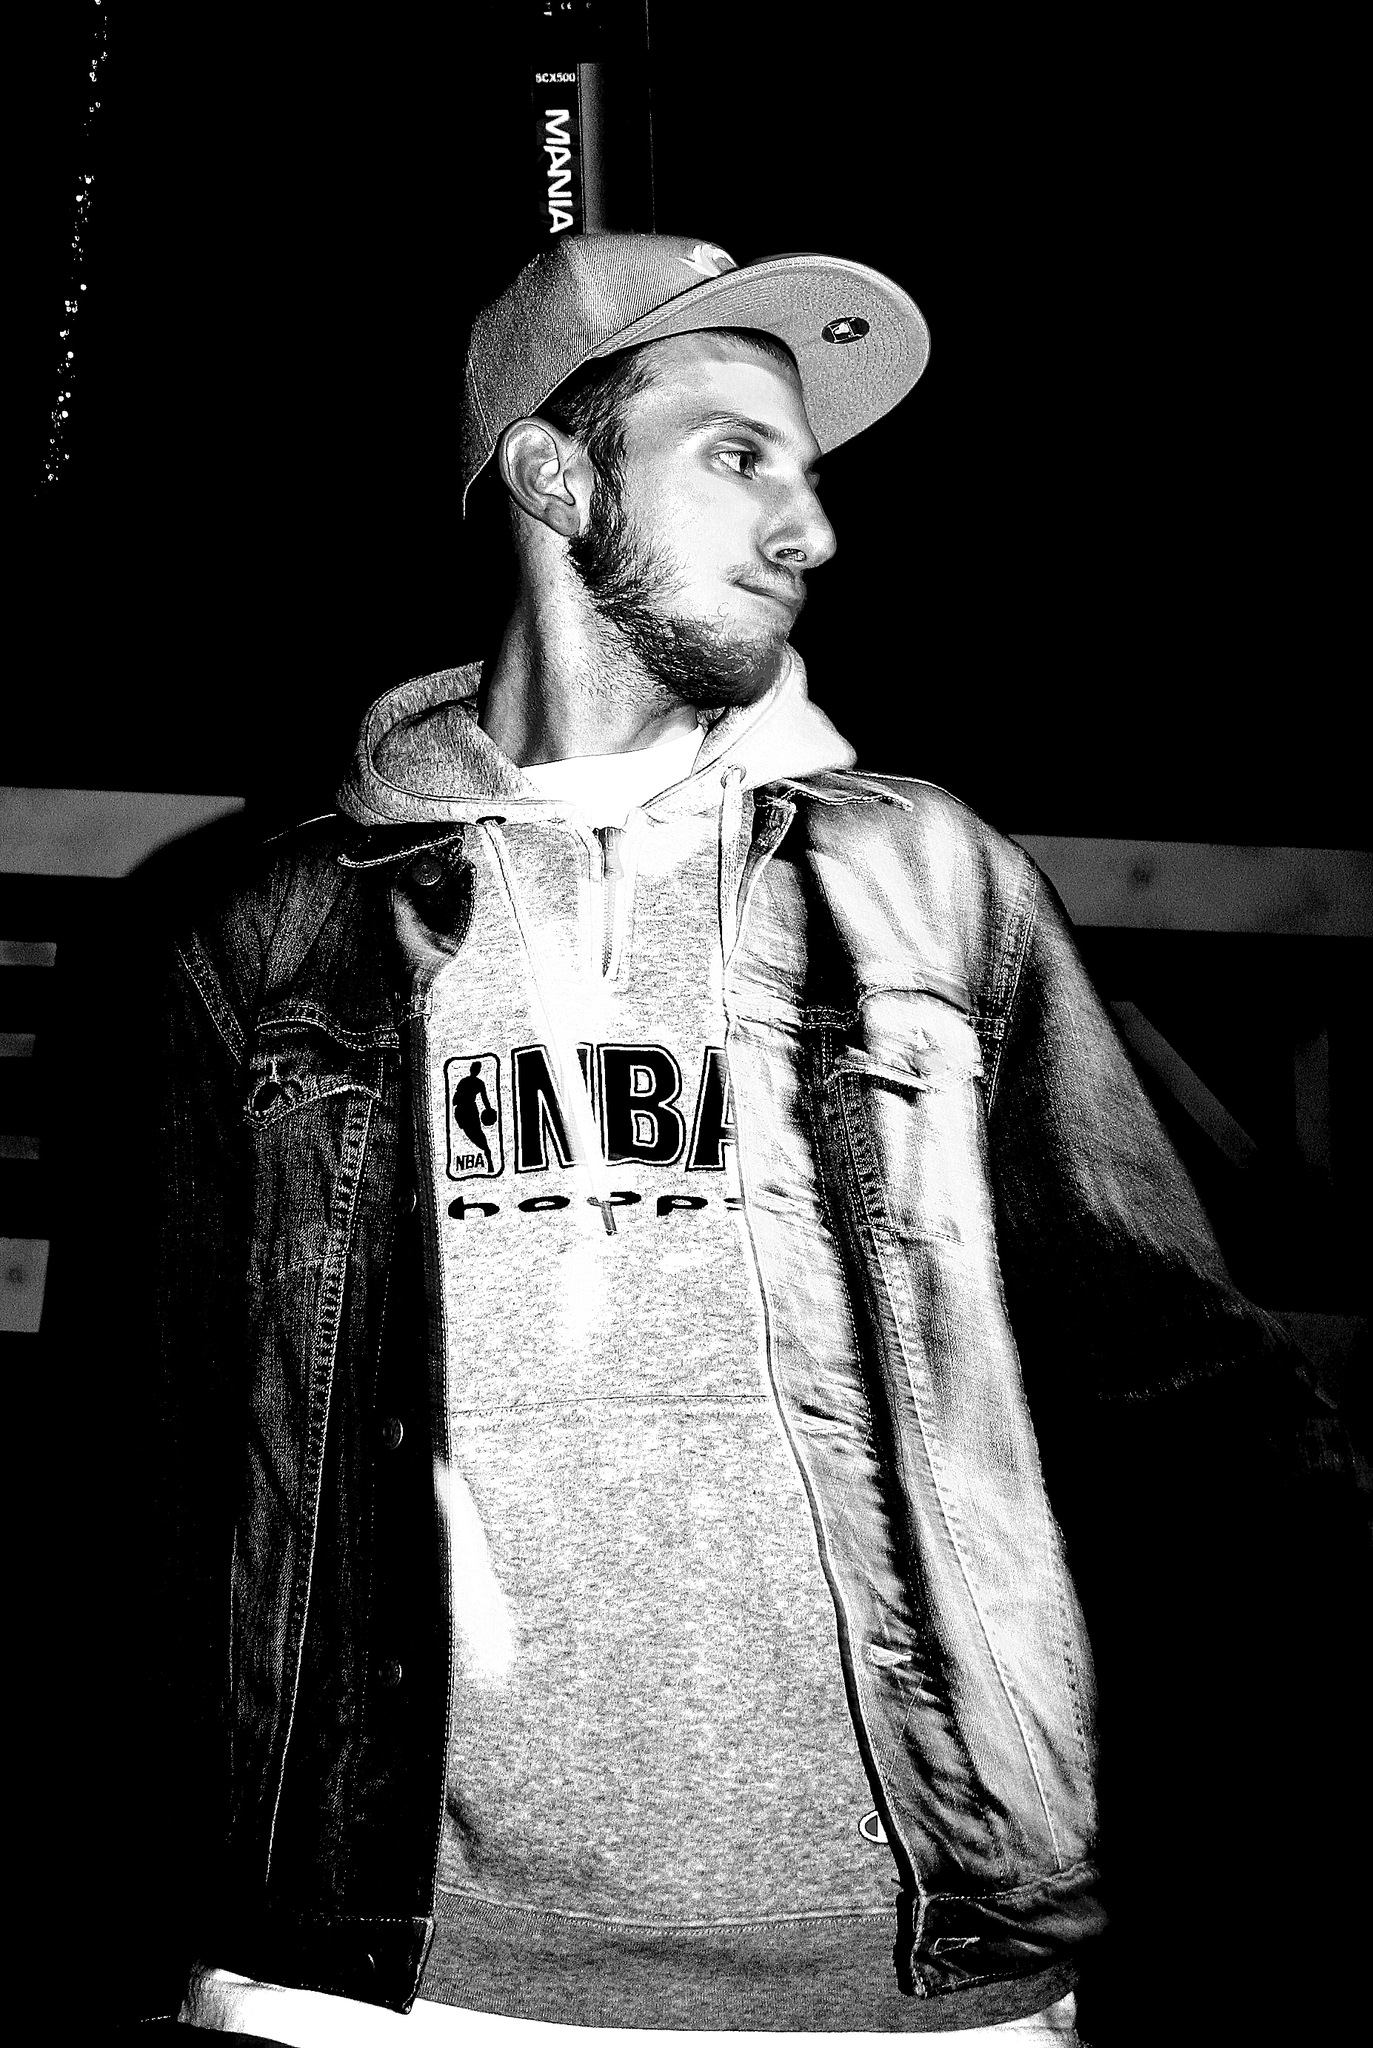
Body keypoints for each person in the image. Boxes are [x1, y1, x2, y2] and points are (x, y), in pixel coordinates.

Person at [154, 234, 1359, 2045]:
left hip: (913, 1975)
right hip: (378, 1980)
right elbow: (158, 1456)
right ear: (554, 478)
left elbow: (1187, 1393)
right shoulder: (267, 928)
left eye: (805, 472)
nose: (811, 530)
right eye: (736, 456)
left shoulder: (924, 882)